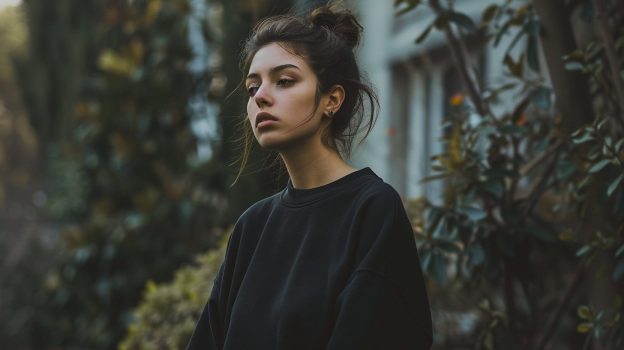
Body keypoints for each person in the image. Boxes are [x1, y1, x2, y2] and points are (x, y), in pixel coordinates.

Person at [187, 4, 433, 350]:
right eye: (252, 87)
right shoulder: (253, 227)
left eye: (284, 81)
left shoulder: (371, 210)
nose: (261, 97)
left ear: (332, 99)